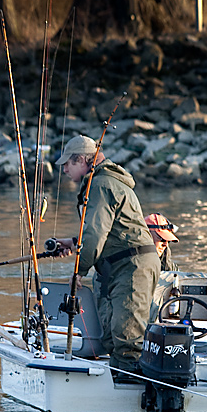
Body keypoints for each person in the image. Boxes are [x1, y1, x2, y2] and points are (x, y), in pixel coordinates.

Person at [53, 135, 160, 375]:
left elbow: (93, 235)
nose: (65, 170)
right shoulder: (101, 182)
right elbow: (107, 232)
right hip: (120, 265)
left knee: (127, 338)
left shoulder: (101, 184)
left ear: (81, 159)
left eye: (68, 164)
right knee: (112, 338)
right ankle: (120, 380)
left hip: (133, 266)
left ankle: (131, 394)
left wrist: (78, 271)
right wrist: (72, 243)